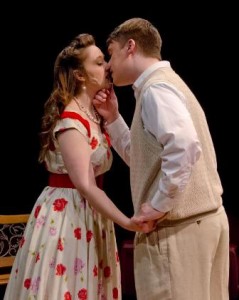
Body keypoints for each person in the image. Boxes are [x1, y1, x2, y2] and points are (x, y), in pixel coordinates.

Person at [3, 33, 153, 300]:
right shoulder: (71, 120)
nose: (106, 66)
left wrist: (113, 116)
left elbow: (133, 157)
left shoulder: (95, 116)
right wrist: (128, 223)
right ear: (80, 75)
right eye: (98, 62)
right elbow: (85, 185)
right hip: (67, 217)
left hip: (90, 217)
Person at [93, 18, 230, 300]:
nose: (108, 65)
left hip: (180, 233)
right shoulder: (167, 84)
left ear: (130, 46)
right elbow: (147, 160)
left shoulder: (156, 89)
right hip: (203, 224)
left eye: (111, 53)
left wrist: (156, 206)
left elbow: (184, 147)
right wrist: (115, 119)